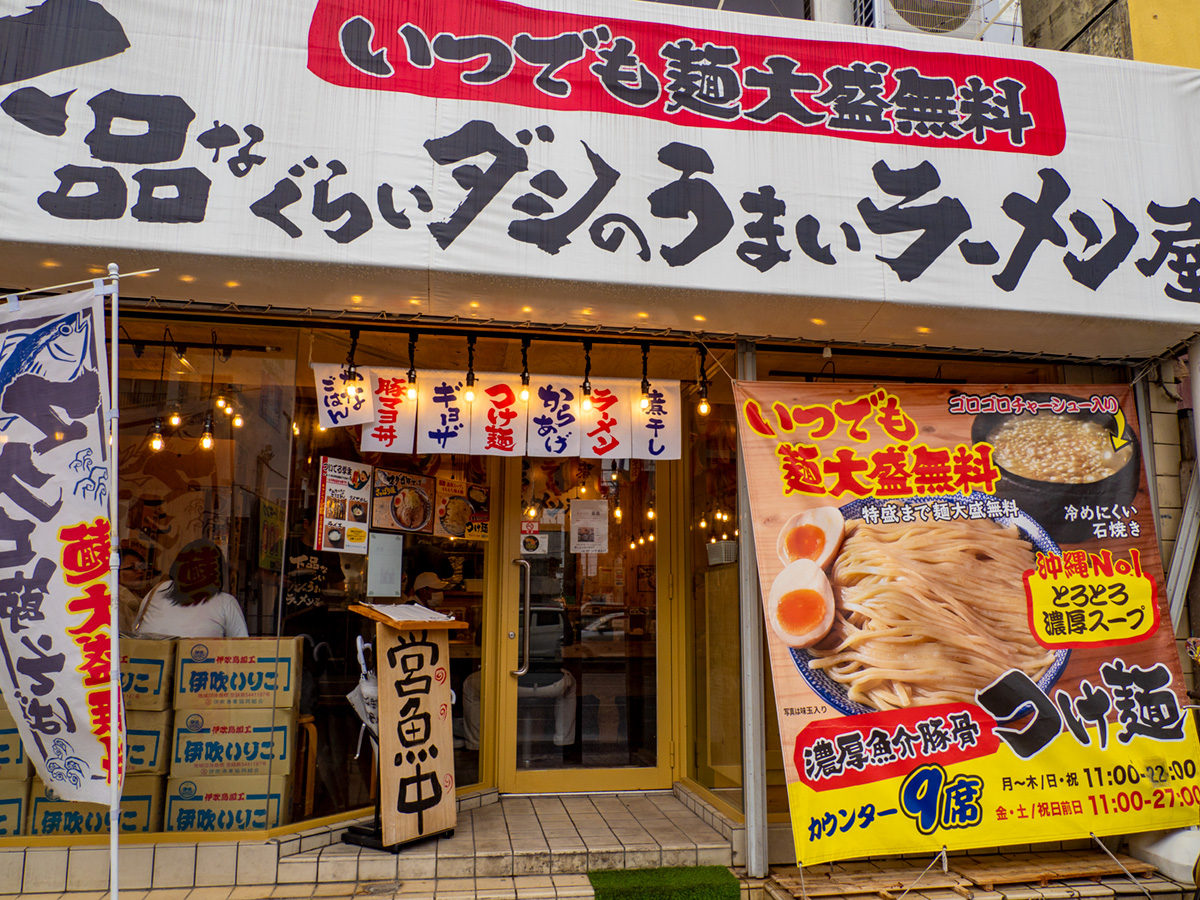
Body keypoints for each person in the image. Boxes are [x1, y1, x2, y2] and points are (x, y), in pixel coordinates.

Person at [133, 539, 249, 638]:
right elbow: (242, 648)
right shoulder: (225, 602)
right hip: (195, 663)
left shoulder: (158, 589)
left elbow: (136, 629)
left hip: (146, 661)